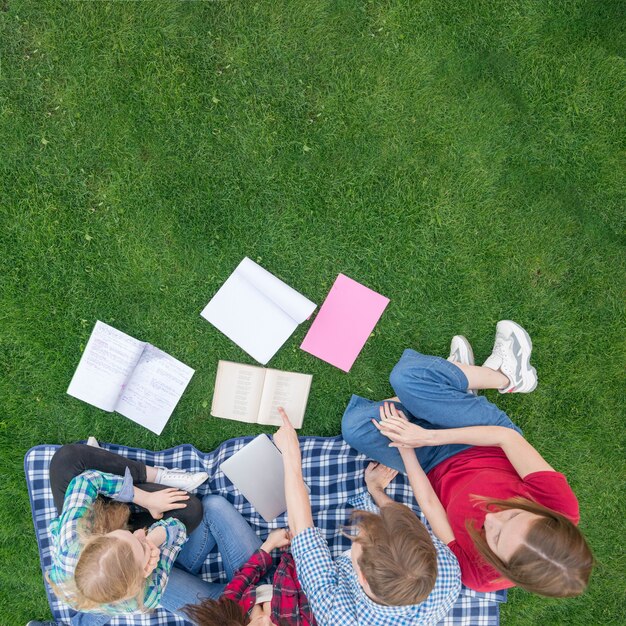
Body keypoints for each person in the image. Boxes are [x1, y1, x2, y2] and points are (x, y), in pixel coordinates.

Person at [341, 320, 594, 597]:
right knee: (406, 377)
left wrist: (407, 446)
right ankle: (508, 377)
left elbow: (430, 506)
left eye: (495, 537)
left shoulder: (478, 575)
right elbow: (506, 438)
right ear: (546, 516)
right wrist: (427, 437)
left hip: (432, 463)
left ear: (505, 568)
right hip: (484, 439)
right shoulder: (560, 505)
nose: (493, 520)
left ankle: (450, 390)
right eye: (513, 514)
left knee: (355, 426)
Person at [272, 408, 461, 625]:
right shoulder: (447, 569)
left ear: (359, 576)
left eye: (361, 538)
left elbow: (304, 538)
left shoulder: (337, 616)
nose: (362, 527)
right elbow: (402, 525)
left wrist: (290, 453)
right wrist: (377, 491)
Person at [40, 440, 208, 626]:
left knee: (67, 459)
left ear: (96, 539)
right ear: (145, 571)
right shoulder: (149, 594)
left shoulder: (71, 537)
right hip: (137, 537)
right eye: (141, 546)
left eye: (122, 535)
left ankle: (153, 476)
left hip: (94, 518)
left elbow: (86, 480)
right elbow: (177, 535)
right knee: (191, 509)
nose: (139, 534)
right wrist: (154, 538)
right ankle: (111, 471)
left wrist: (146, 499)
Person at [160, 494, 315, 626]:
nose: (266, 620)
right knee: (214, 507)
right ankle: (182, 564)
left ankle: (178, 564)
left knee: (150, 582)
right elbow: (307, 576)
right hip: (262, 577)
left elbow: (229, 598)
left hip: (224, 609)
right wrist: (273, 545)